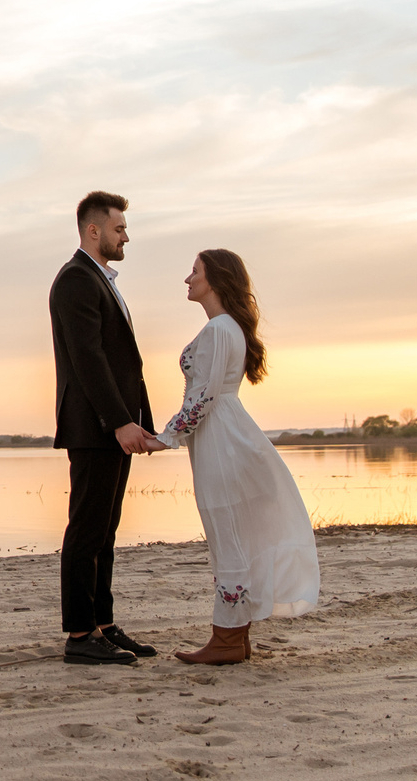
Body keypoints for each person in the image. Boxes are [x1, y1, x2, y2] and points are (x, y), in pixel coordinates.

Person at [156, 248, 320, 664]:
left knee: (226, 534)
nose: (187, 279)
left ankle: (227, 638)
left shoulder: (218, 330)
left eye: (194, 271)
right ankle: (235, 634)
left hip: (221, 440)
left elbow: (204, 396)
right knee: (231, 534)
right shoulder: (228, 328)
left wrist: (165, 437)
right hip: (225, 434)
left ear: (215, 279)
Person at [48, 191, 170, 667]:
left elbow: (119, 361)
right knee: (86, 529)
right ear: (93, 230)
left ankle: (102, 624)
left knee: (106, 529)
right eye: (119, 229)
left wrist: (136, 420)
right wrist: (119, 421)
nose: (126, 236)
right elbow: (89, 359)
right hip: (94, 425)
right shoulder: (77, 280)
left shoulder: (98, 279)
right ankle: (79, 634)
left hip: (113, 424)